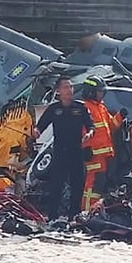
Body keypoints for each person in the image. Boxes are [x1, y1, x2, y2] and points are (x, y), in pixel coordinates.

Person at [35, 77, 96, 220]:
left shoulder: (80, 108)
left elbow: (91, 126)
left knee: (77, 184)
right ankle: (53, 216)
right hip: (59, 152)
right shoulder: (53, 109)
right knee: (56, 184)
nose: (69, 90)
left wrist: (89, 133)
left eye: (71, 87)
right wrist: (37, 131)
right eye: (65, 87)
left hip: (76, 151)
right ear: (58, 91)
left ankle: (73, 215)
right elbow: (41, 125)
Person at [80, 77, 122, 211]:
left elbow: (111, 125)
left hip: (103, 155)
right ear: (91, 92)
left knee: (99, 185)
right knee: (91, 186)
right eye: (99, 91)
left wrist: (121, 116)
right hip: (93, 154)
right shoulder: (85, 108)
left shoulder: (101, 107)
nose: (101, 94)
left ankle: (94, 210)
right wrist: (85, 148)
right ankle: (85, 212)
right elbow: (81, 130)